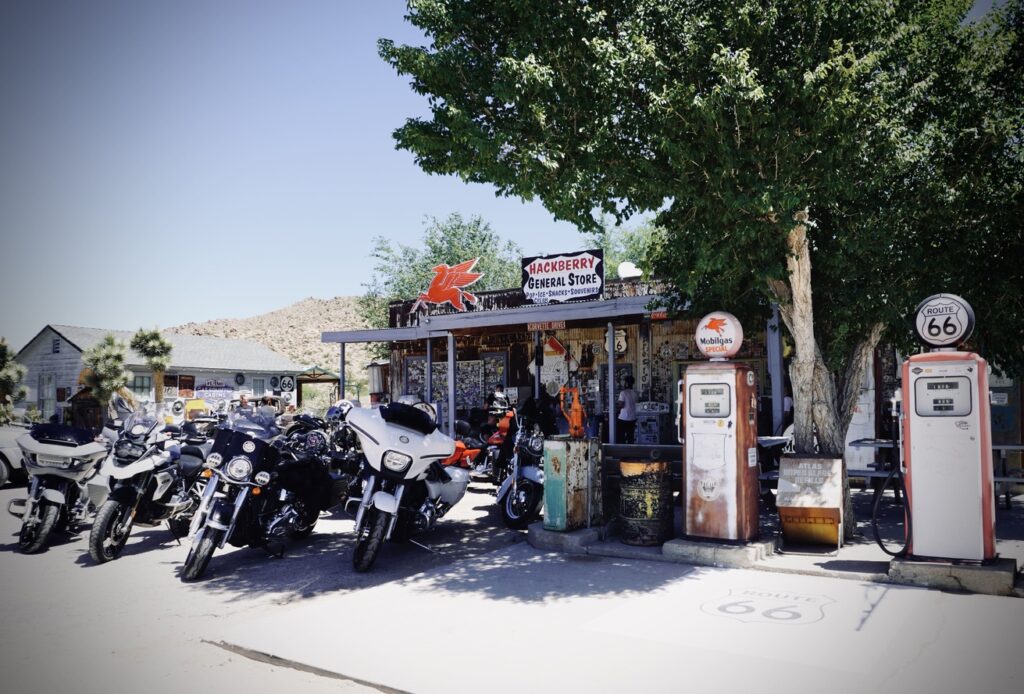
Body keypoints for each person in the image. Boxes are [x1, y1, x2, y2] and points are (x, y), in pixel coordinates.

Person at [616, 376, 638, 444]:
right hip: (632, 417)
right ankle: (631, 451)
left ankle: (622, 451)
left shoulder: (623, 393)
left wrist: (616, 406)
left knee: (621, 436)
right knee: (630, 436)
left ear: (626, 383)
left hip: (623, 418)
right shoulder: (635, 393)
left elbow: (621, 405)